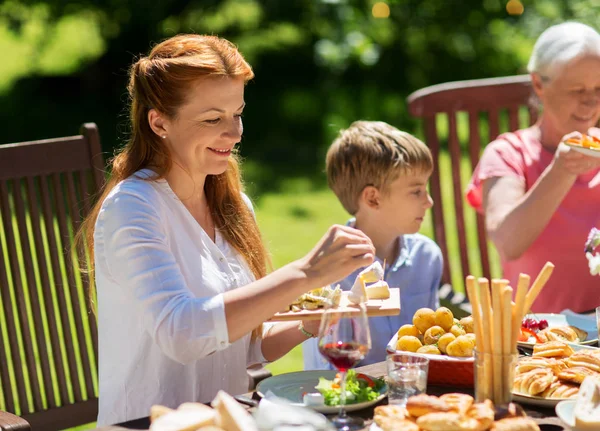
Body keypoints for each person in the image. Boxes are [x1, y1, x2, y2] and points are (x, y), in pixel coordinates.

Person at [77, 34, 375, 425]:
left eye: (237, 114)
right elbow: (183, 333)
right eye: (213, 119)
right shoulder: (132, 208)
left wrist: (307, 323)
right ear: (159, 122)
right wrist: (304, 274)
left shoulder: (233, 205)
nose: (235, 134)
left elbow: (248, 345)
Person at [466, 22, 600, 313]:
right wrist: (562, 170)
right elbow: (508, 242)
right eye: (576, 89)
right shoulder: (509, 154)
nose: (591, 100)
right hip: (538, 341)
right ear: (539, 84)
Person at [303, 121, 443, 370]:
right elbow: (323, 369)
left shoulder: (427, 257)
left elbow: (433, 342)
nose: (429, 201)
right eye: (416, 191)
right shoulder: (328, 270)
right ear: (373, 198)